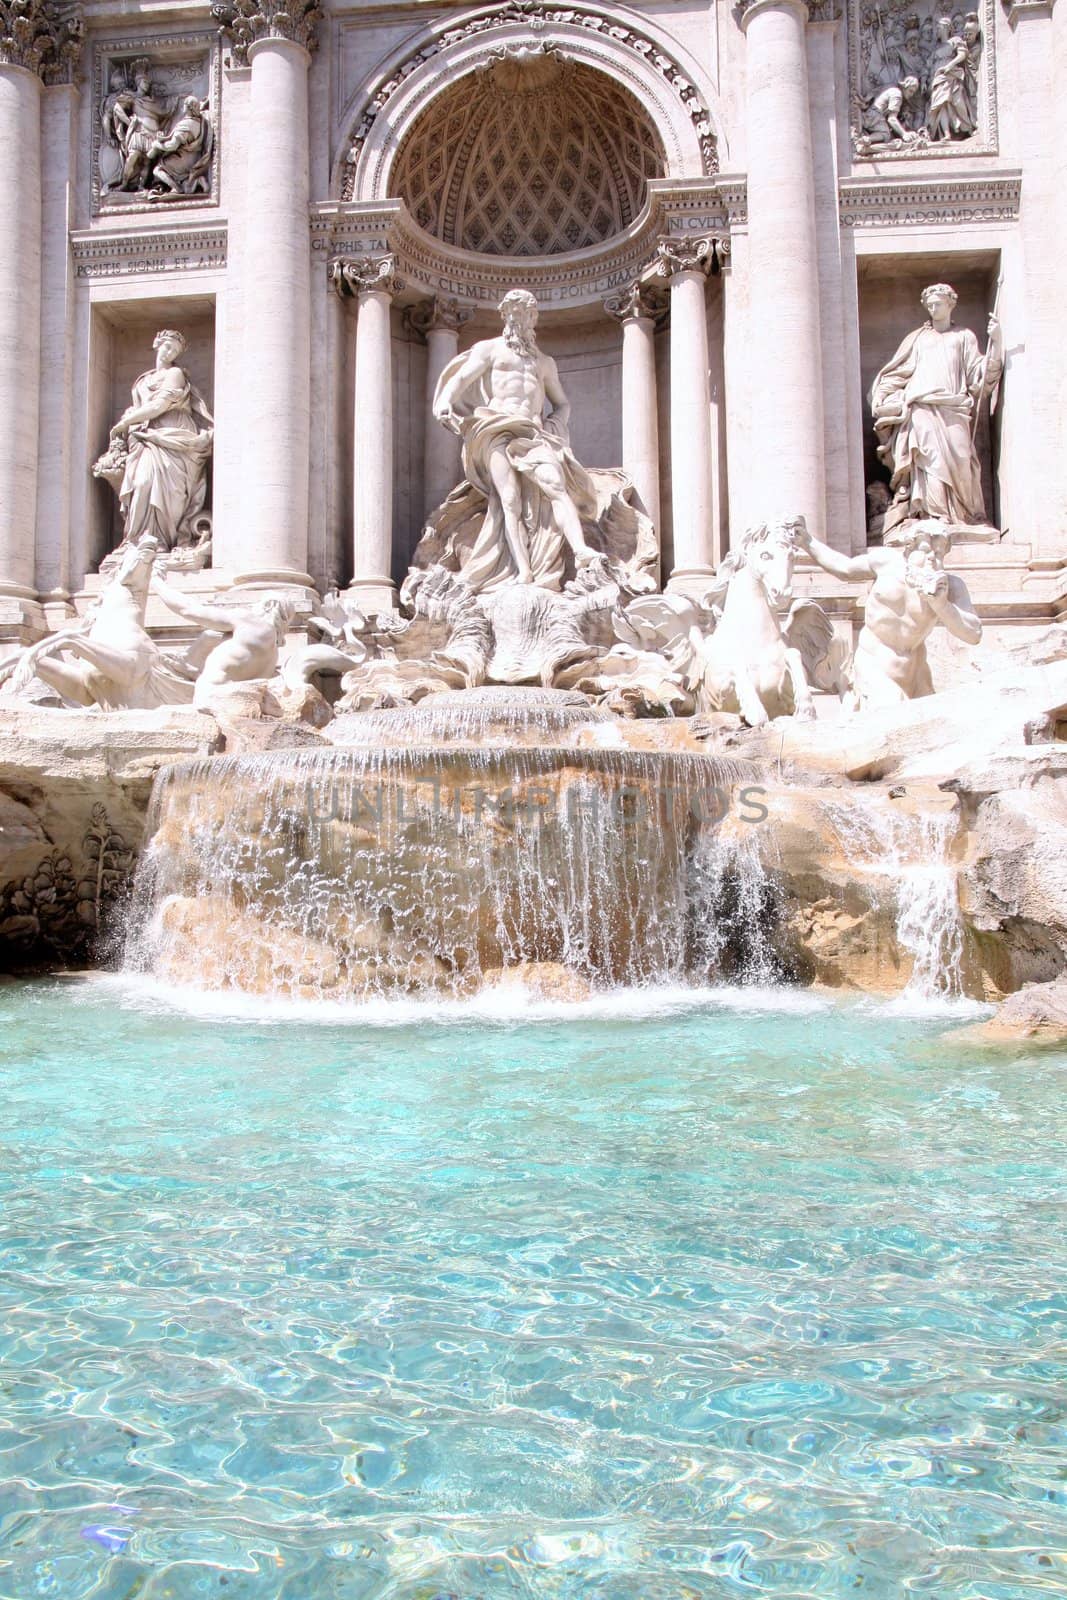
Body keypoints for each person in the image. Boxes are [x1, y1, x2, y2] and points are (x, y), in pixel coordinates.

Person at [431, 289, 599, 592]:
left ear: (533, 319)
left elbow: (562, 402)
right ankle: (523, 571)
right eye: (512, 313)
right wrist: (445, 400)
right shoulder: (489, 350)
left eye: (524, 314)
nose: (517, 319)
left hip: (533, 434)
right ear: (504, 316)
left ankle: (581, 551)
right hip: (496, 427)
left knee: (556, 487)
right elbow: (460, 379)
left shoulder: (544, 362)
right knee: (509, 501)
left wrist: (555, 425)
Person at [795, 517, 981, 707]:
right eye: (925, 550)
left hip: (916, 672)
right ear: (909, 549)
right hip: (875, 663)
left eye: (939, 553)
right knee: (891, 715)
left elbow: (974, 634)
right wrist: (807, 541)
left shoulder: (951, 587)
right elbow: (843, 567)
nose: (932, 557)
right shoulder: (886, 563)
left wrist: (942, 605)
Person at [870, 283, 1002, 534]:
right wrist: (884, 395)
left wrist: (996, 341)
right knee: (928, 459)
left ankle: (962, 516)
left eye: (938, 303)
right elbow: (897, 372)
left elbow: (979, 377)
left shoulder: (964, 336)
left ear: (951, 304)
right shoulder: (917, 338)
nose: (932, 308)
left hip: (953, 406)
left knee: (961, 458)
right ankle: (934, 515)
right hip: (920, 406)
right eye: (929, 304)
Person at [95, 329, 214, 555]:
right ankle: (139, 538)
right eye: (167, 346)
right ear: (157, 344)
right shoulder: (143, 379)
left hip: (173, 435)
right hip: (145, 437)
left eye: (175, 350)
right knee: (141, 483)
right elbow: (142, 408)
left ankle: (160, 540)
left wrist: (126, 421)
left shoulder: (175, 374)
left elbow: (159, 406)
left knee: (167, 489)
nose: (170, 353)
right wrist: (131, 421)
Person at [151, 577, 295, 710]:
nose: (254, 606)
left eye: (258, 603)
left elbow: (189, 609)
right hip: (234, 705)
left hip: (211, 699)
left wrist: (157, 584)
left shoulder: (248, 620)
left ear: (269, 605)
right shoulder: (273, 653)